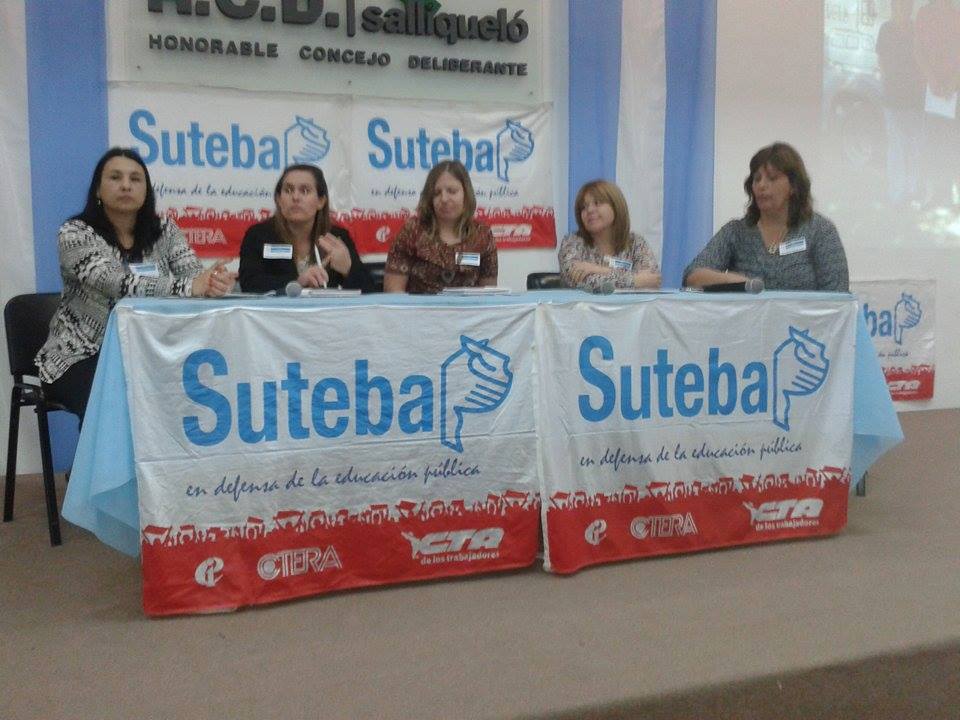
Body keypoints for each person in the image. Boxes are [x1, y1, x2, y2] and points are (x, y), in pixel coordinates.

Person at [35, 147, 235, 421]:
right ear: (98, 189)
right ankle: (101, 452)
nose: (126, 185)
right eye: (115, 177)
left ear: (146, 191)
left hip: (151, 351)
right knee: (119, 400)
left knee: (196, 389)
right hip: (81, 355)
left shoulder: (165, 230)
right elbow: (113, 282)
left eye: (135, 179)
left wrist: (213, 283)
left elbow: (194, 276)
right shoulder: (75, 233)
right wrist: (189, 287)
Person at [683, 142, 849, 292]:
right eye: (757, 179)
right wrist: (734, 281)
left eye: (772, 178)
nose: (761, 185)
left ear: (794, 186)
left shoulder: (820, 231)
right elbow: (692, 276)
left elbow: (838, 295)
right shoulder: (736, 231)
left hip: (805, 318)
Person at [238, 164, 372, 293]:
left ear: (321, 201)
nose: (295, 197)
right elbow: (249, 285)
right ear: (278, 199)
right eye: (288, 190)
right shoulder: (258, 236)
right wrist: (297, 282)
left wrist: (349, 269)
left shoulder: (337, 237)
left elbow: (369, 290)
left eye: (305, 191)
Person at [383, 160, 497, 293]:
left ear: (466, 194)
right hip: (419, 306)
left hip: (470, 307)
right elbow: (393, 291)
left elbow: (489, 293)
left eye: (452, 191)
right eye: (436, 193)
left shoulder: (482, 235)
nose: (444, 199)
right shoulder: (412, 231)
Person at [558, 180, 661, 291]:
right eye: (583, 207)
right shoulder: (572, 242)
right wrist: (636, 280)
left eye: (597, 203)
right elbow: (585, 283)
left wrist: (598, 269)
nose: (590, 210)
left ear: (616, 206)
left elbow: (652, 280)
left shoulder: (635, 242)